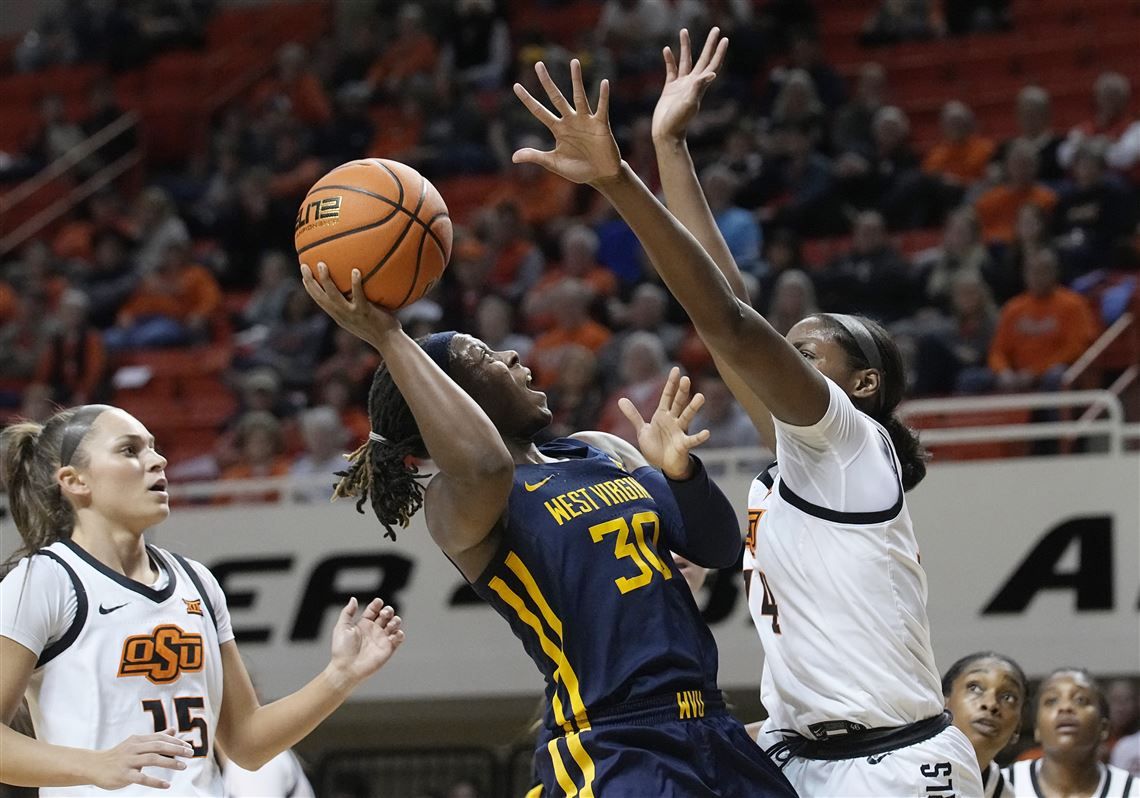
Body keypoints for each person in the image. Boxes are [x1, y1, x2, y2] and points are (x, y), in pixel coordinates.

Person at [507, 30, 983, 795]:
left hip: (894, 763)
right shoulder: (791, 470)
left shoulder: (852, 443)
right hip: (799, 758)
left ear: (860, 386)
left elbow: (728, 320)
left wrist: (621, 180)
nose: (784, 361)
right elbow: (725, 305)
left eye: (807, 352)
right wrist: (670, 145)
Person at [299, 260, 796, 798]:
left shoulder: (601, 449)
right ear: (451, 399)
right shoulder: (456, 499)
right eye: (484, 358)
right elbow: (488, 464)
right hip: (612, 742)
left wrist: (682, 473)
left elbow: (721, 547)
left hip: (709, 721)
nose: (512, 355)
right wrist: (390, 338)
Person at [0, 404, 405, 794]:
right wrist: (94, 765)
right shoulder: (44, 580)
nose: (158, 461)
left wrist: (340, 675)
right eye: (129, 450)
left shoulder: (198, 581)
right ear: (74, 481)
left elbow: (247, 743)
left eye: (154, 447)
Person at [1004, 669, 1137, 797]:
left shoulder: (1134, 791)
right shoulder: (1003, 785)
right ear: (1037, 729)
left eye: (1080, 700)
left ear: (1103, 728)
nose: (1065, 707)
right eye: (1052, 700)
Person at [942, 652, 1028, 798]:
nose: (991, 704)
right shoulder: (901, 760)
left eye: (1008, 697)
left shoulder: (1004, 793)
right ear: (942, 703)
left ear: (1018, 727)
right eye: (974, 688)